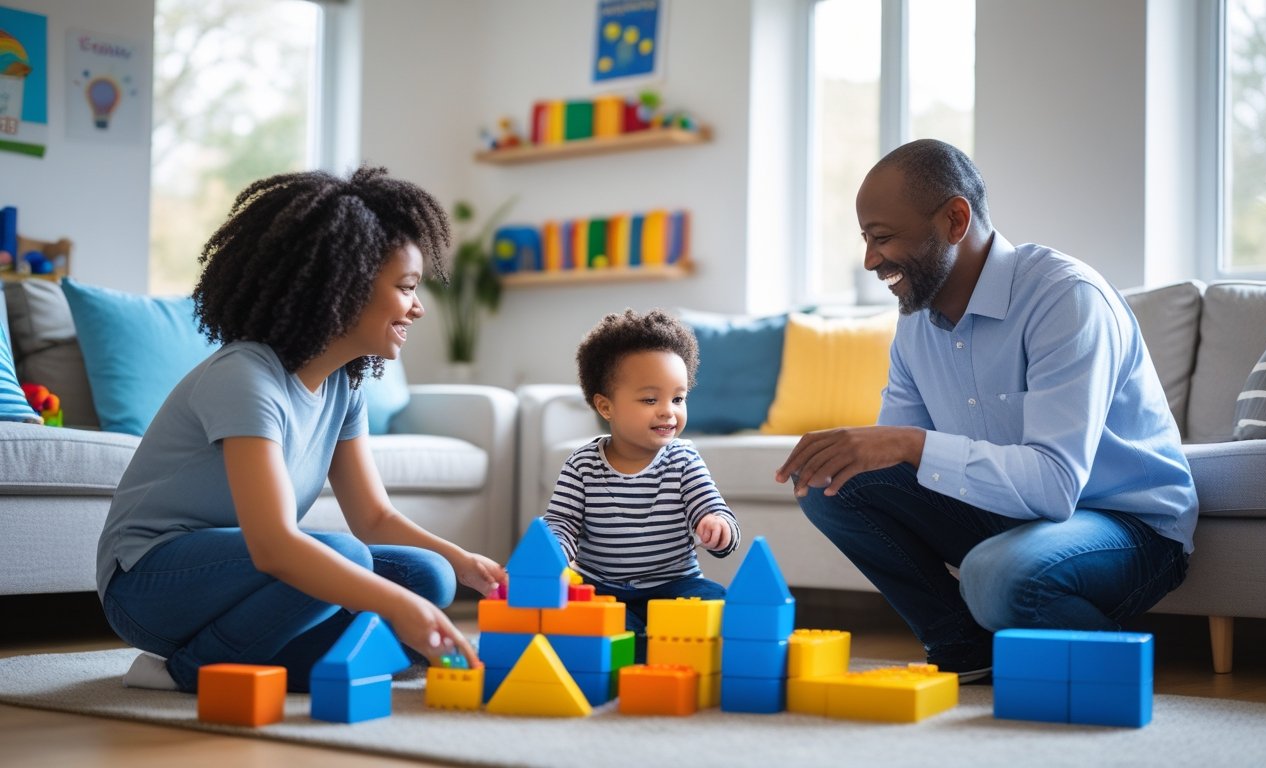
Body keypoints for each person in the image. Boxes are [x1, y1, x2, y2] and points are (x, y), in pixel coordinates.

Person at [775, 139, 1197, 683]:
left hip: (1127, 525)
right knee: (834, 482)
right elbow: (890, 467)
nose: (870, 260)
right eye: (865, 240)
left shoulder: (1065, 298)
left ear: (955, 219)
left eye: (882, 238)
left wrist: (908, 444)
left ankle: (1108, 667)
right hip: (1014, 519)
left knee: (996, 576)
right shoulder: (915, 327)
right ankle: (966, 646)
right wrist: (858, 453)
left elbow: (1054, 486)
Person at [95, 167, 505, 692]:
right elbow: (273, 546)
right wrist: (396, 607)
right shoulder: (245, 376)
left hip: (241, 583)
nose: (418, 307)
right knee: (351, 564)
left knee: (428, 576)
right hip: (149, 585)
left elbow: (375, 517)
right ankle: (186, 671)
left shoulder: (343, 387)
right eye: (406, 288)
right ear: (345, 284)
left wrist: (463, 561)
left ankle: (279, 660)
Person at [543, 309, 741, 656]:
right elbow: (562, 524)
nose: (668, 411)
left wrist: (717, 526)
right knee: (586, 620)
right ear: (606, 407)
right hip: (602, 589)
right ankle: (641, 642)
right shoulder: (582, 464)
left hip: (675, 586)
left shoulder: (684, 460)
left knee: (721, 607)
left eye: (678, 398)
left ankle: (655, 642)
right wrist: (553, 552)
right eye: (651, 399)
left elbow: (713, 509)